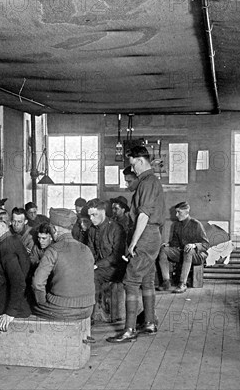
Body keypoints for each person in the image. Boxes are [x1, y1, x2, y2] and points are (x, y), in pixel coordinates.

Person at [108, 145, 166, 343]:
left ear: (140, 161)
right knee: (147, 280)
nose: (131, 169)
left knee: (130, 281)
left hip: (145, 235)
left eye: (132, 165)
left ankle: (129, 329)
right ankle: (149, 322)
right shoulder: (149, 181)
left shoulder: (148, 182)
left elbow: (143, 215)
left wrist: (133, 243)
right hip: (152, 234)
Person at [32, 208, 95, 320]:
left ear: (54, 229)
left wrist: (42, 302)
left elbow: (37, 283)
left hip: (64, 309)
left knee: (29, 305)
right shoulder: (86, 249)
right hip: (88, 309)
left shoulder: (53, 250)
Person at [0, 208, 32, 332]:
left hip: (10, 309)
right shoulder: (4, 242)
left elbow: (19, 282)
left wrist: (10, 313)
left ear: (3, 224)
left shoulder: (7, 246)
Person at [87, 199, 127, 324]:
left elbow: (116, 256)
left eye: (94, 215)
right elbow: (90, 251)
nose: (92, 219)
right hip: (98, 266)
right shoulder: (92, 230)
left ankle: (90, 317)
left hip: (116, 268)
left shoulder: (116, 228)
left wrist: (96, 265)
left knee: (93, 276)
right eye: (89, 216)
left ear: (103, 212)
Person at [158, 202, 209, 293]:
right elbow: (175, 242)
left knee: (188, 250)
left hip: (198, 255)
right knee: (163, 250)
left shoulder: (196, 224)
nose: (177, 215)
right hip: (183, 253)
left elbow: (205, 245)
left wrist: (194, 245)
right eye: (176, 212)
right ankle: (166, 282)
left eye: (179, 212)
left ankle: (182, 283)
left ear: (186, 212)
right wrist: (169, 244)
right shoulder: (177, 225)